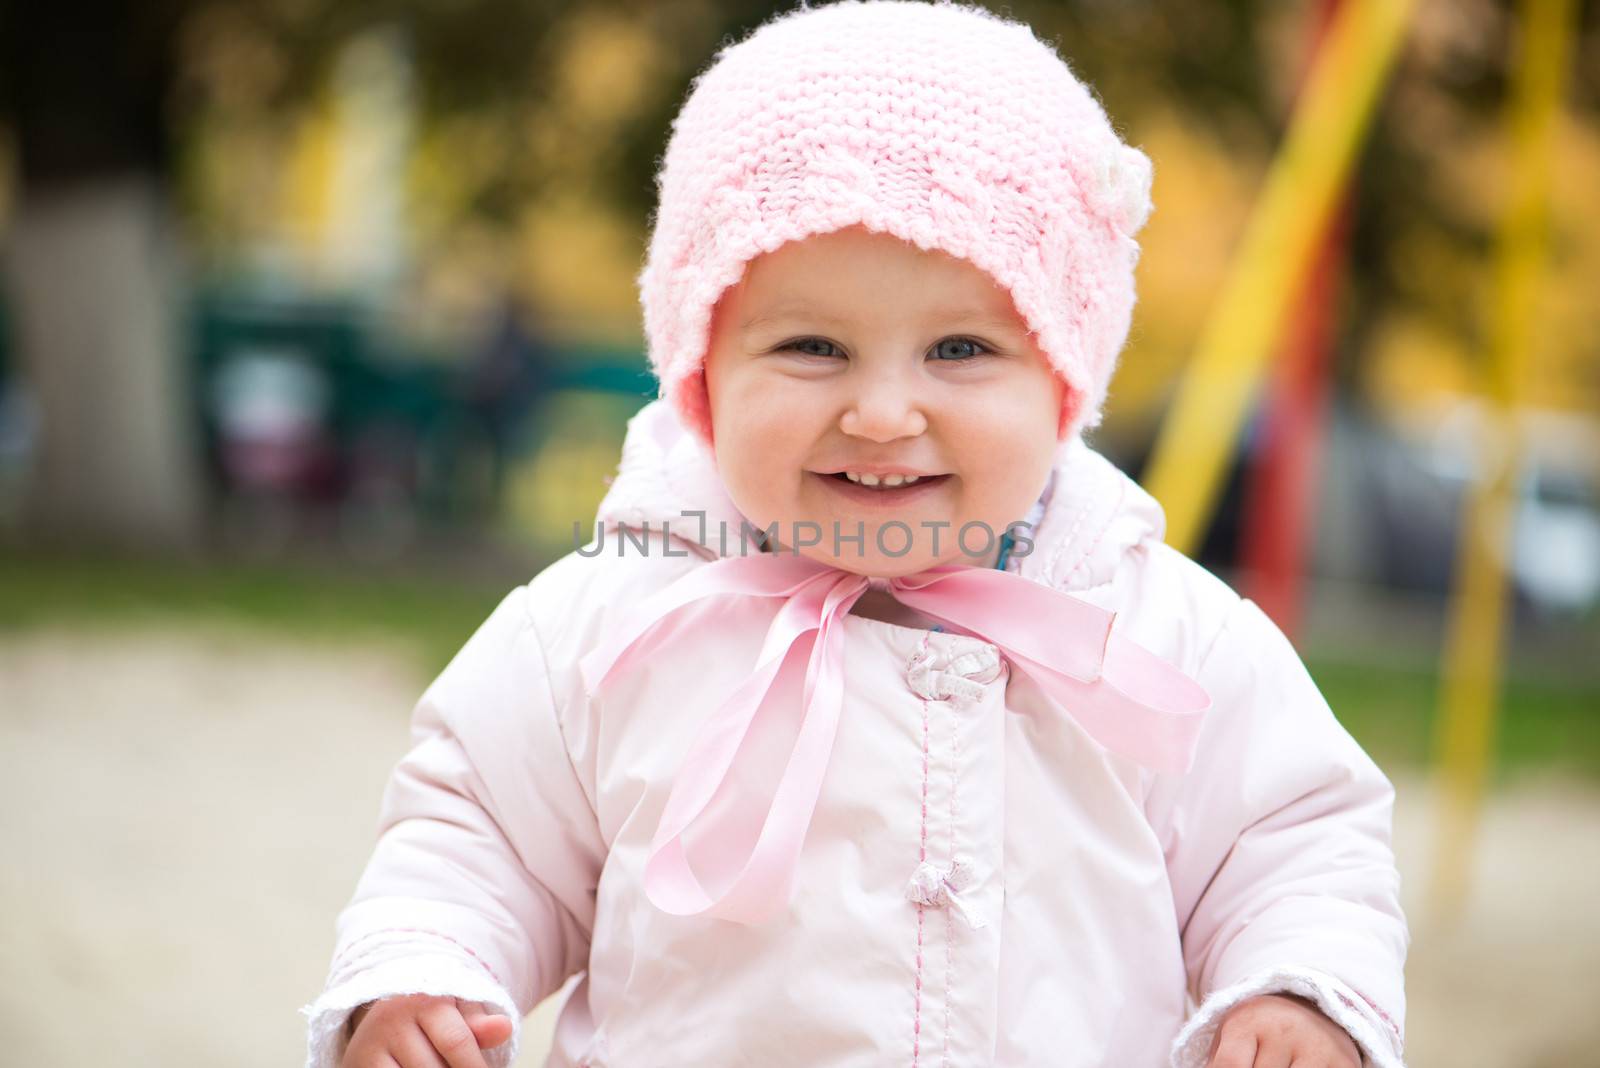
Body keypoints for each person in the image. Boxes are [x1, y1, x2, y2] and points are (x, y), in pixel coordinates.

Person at [301, 3, 1409, 1066]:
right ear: (702, 373)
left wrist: (1296, 987)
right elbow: (479, 831)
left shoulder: (1155, 634)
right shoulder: (615, 615)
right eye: (813, 348)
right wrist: (425, 969)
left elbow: (1294, 841)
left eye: (961, 352)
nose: (883, 413)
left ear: (1063, 381)